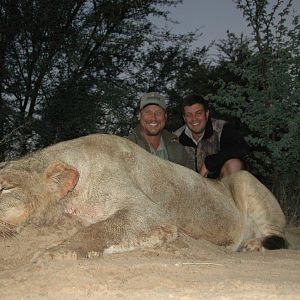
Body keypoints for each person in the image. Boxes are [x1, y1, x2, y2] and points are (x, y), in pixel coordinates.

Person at [174, 94, 250, 178]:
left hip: (219, 185)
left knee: (234, 165)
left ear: (207, 114)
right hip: (189, 186)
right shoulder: (176, 138)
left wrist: (209, 164)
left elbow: (242, 148)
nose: (194, 119)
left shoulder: (221, 128)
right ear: (184, 118)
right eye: (189, 115)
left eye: (198, 113)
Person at [128, 92, 194, 169]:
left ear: (165, 116)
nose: (153, 118)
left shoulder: (179, 149)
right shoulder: (126, 146)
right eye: (148, 112)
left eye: (158, 112)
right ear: (139, 115)